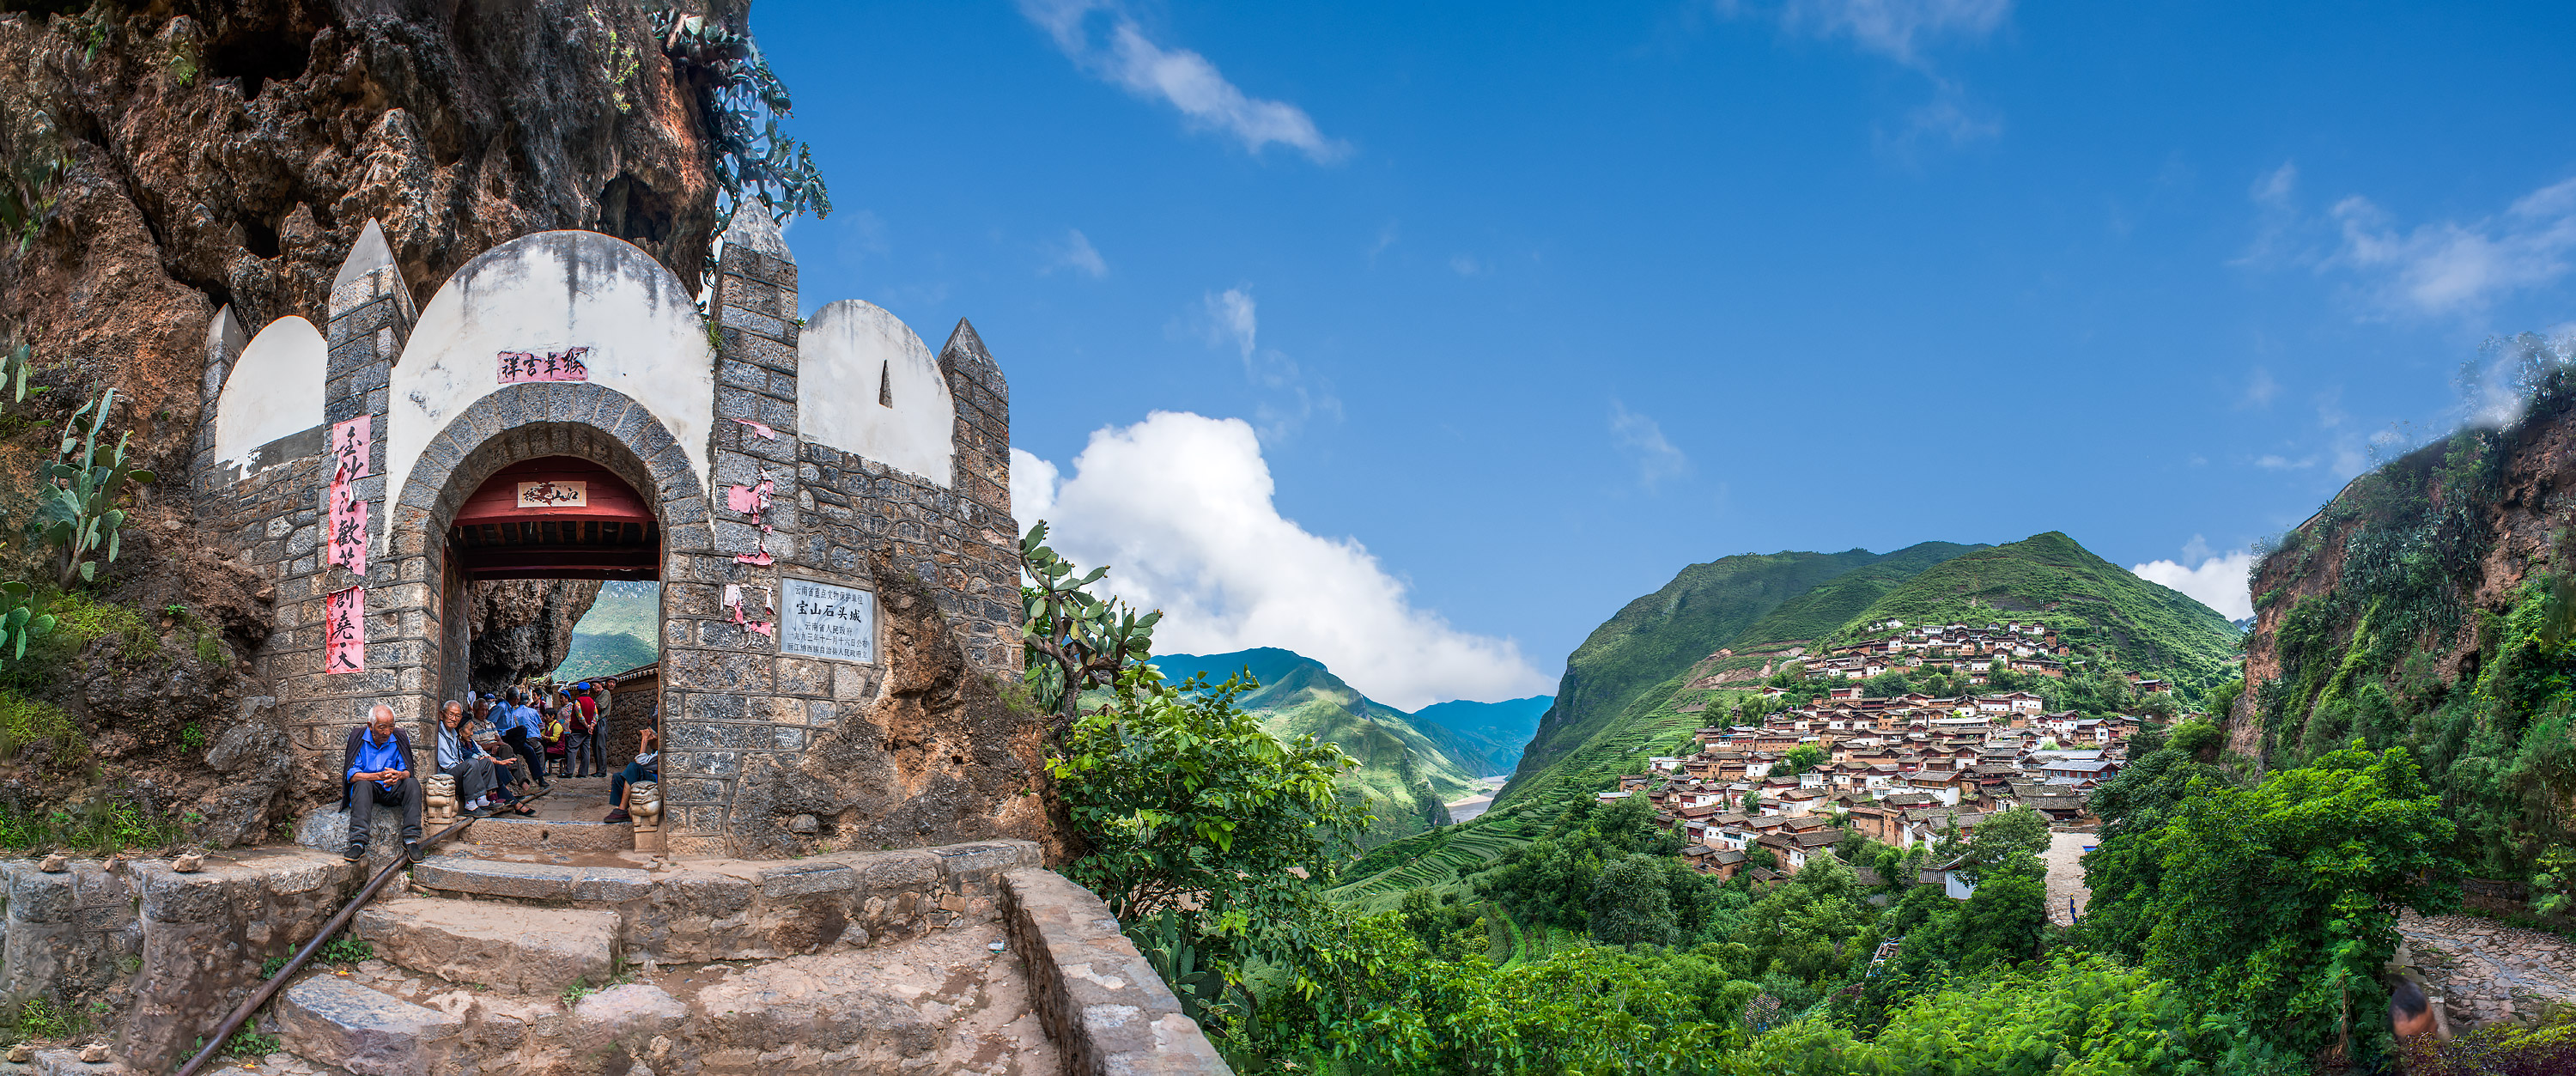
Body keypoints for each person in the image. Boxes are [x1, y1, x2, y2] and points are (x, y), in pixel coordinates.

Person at [340, 703, 423, 863]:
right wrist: (376, 776)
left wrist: (399, 775)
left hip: (392, 788)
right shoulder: (359, 738)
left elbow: (407, 771)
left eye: (391, 726)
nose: (387, 732)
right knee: (362, 784)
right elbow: (352, 775)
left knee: (412, 783)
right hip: (370, 789)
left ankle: (411, 840)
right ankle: (358, 842)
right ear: (370, 726)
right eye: (382, 727)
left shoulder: (398, 737)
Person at [604, 725, 659, 824]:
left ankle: (622, 810)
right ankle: (626, 809)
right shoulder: (655, 752)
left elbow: (640, 762)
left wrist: (644, 740)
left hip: (656, 780)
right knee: (618, 777)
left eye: (650, 735)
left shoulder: (659, 753)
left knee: (633, 767)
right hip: (651, 775)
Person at [498, 690, 550, 791]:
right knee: (523, 730)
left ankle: (540, 778)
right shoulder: (502, 707)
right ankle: (516, 751)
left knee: (529, 750)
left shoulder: (512, 710)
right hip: (503, 737)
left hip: (515, 739)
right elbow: (492, 722)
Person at [565, 683, 598, 779]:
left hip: (578, 730)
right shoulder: (593, 702)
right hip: (588, 731)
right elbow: (596, 715)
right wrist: (591, 726)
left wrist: (587, 726)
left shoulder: (577, 701)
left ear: (579, 691)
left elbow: (580, 716)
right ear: (588, 691)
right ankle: (583, 772)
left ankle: (569, 772)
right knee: (585, 750)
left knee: (572, 749)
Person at [542, 694, 569, 776]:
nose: (545, 719)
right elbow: (542, 733)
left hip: (558, 749)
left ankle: (543, 769)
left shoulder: (556, 725)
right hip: (552, 747)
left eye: (547, 717)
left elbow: (555, 739)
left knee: (543, 751)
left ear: (553, 716)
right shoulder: (548, 725)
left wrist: (545, 737)